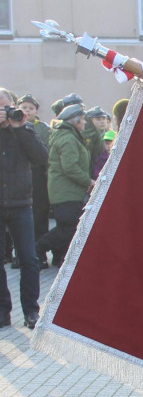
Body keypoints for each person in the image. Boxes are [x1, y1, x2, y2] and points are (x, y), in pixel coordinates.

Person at [0, 88, 48, 329]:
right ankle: (2, 311)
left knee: (29, 258)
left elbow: (41, 157)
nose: (3, 113)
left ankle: (31, 310)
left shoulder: (24, 130)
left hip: (21, 204)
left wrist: (18, 128)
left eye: (6, 107)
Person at [37, 102, 91, 271]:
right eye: (82, 119)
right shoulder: (68, 138)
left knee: (68, 228)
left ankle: (61, 260)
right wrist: (88, 181)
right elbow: (70, 167)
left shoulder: (69, 136)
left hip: (67, 191)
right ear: (74, 120)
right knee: (68, 229)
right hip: (66, 192)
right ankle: (36, 250)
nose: (84, 123)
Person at [17, 94, 51, 266]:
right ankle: (19, 256)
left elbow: (45, 153)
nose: (27, 111)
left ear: (36, 111)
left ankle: (41, 255)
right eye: (24, 107)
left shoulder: (43, 128)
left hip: (38, 175)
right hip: (19, 175)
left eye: (30, 108)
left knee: (39, 216)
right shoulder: (11, 126)